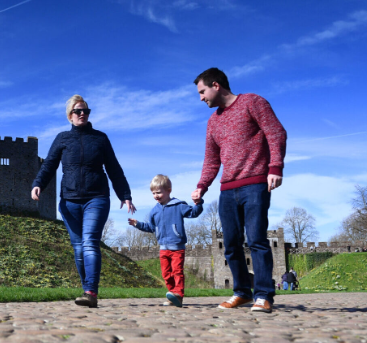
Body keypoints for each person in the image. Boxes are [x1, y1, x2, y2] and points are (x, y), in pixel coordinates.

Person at [191, 68, 287, 313]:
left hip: (256, 183)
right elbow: (211, 160)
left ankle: (263, 295)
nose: (201, 97)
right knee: (231, 245)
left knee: (256, 240)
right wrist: (202, 186)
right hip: (227, 190)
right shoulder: (213, 122)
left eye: (202, 91)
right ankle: (242, 293)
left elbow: (276, 133)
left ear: (216, 85)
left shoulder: (252, 102)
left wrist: (275, 166)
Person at [32, 94, 136, 308]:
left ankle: (91, 292)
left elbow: (114, 168)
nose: (82, 114)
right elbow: (49, 164)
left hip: (96, 198)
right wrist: (38, 183)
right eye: (77, 111)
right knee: (78, 248)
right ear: (70, 116)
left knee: (89, 243)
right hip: (69, 201)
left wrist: (125, 195)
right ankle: (86, 289)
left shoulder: (100, 138)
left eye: (85, 111)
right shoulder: (62, 138)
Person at [128, 175, 203, 308]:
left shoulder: (179, 205)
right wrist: (138, 224)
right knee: (166, 273)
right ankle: (172, 294)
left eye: (159, 192)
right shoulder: (154, 211)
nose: (156, 195)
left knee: (177, 271)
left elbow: (193, 213)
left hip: (177, 247)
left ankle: (178, 295)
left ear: (169, 190)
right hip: (163, 247)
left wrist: (198, 203)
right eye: (153, 193)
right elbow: (151, 228)